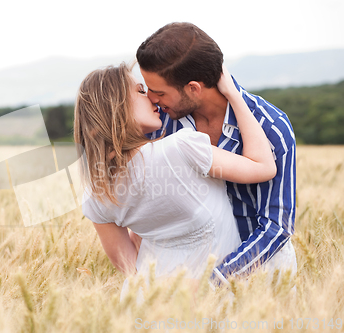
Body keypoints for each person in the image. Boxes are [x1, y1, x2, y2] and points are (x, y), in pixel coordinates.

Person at [74, 62, 277, 302]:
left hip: (151, 303)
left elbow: (130, 267)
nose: (151, 98)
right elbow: (264, 166)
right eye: (140, 91)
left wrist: (152, 229)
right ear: (117, 107)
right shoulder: (182, 147)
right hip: (214, 298)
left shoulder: (96, 193)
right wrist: (233, 94)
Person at [135, 22, 297, 287]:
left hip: (260, 275)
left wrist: (215, 280)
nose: (151, 99)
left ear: (193, 88)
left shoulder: (271, 127)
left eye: (159, 92)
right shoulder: (162, 123)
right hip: (184, 275)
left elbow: (277, 226)